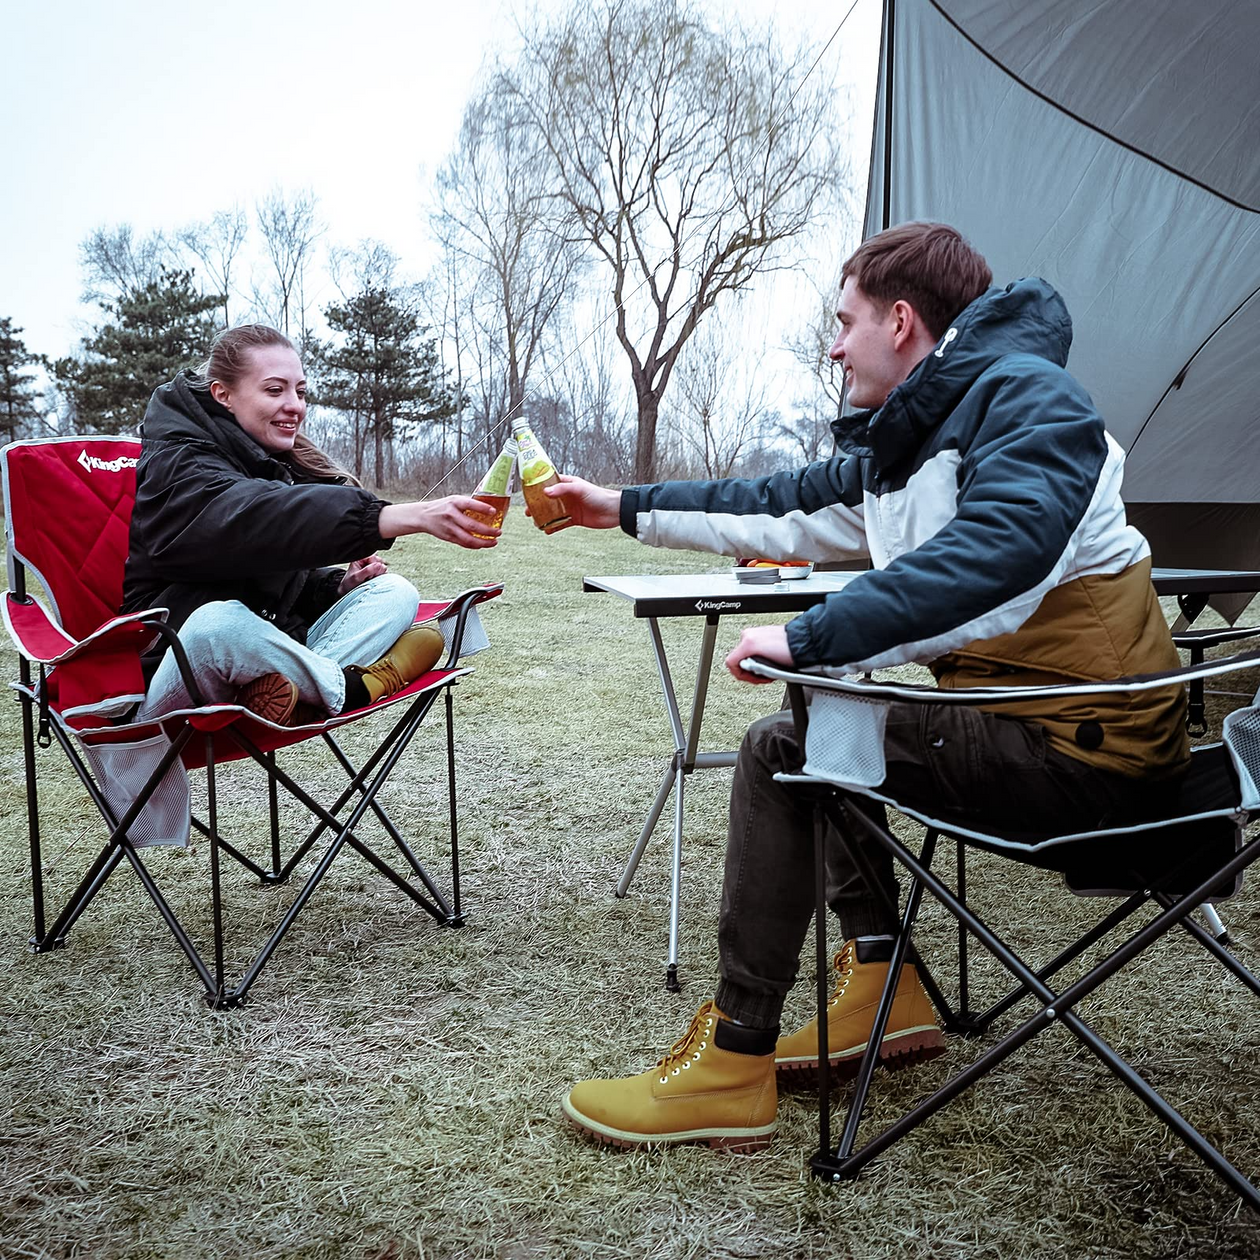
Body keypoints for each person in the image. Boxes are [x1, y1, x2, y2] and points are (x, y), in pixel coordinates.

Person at [549, 222, 1190, 1152]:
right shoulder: (921, 434)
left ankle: (736, 1059)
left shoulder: (1031, 402)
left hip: (1091, 751)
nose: (834, 343)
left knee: (787, 744)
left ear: (900, 321)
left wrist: (811, 637)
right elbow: (784, 503)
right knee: (826, 722)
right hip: (1027, 726)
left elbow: (1000, 559)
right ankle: (887, 984)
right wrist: (622, 506)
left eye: (844, 322)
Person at [123, 323, 500, 726]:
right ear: (223, 394)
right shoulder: (178, 464)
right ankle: (353, 688)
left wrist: (334, 588)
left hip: (263, 665)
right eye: (274, 390)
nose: (295, 406)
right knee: (217, 623)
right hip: (169, 669)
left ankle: (296, 693)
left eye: (300, 392)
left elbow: (270, 581)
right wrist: (394, 516)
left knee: (394, 592)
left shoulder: (265, 462)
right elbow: (254, 520)